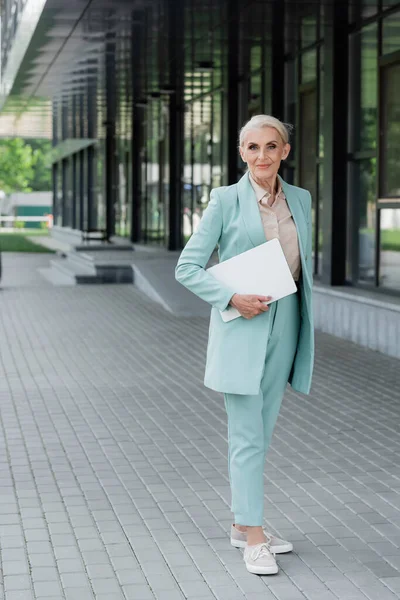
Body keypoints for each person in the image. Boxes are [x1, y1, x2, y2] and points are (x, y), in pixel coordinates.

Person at [175, 114, 314, 576]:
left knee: (262, 431)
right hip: (241, 325)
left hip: (287, 321)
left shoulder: (301, 200)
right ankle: (253, 537)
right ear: (241, 153)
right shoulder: (224, 201)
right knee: (247, 435)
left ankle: (242, 523)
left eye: (271, 147)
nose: (262, 156)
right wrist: (231, 296)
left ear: (285, 152)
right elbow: (187, 267)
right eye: (252, 148)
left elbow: (300, 266)